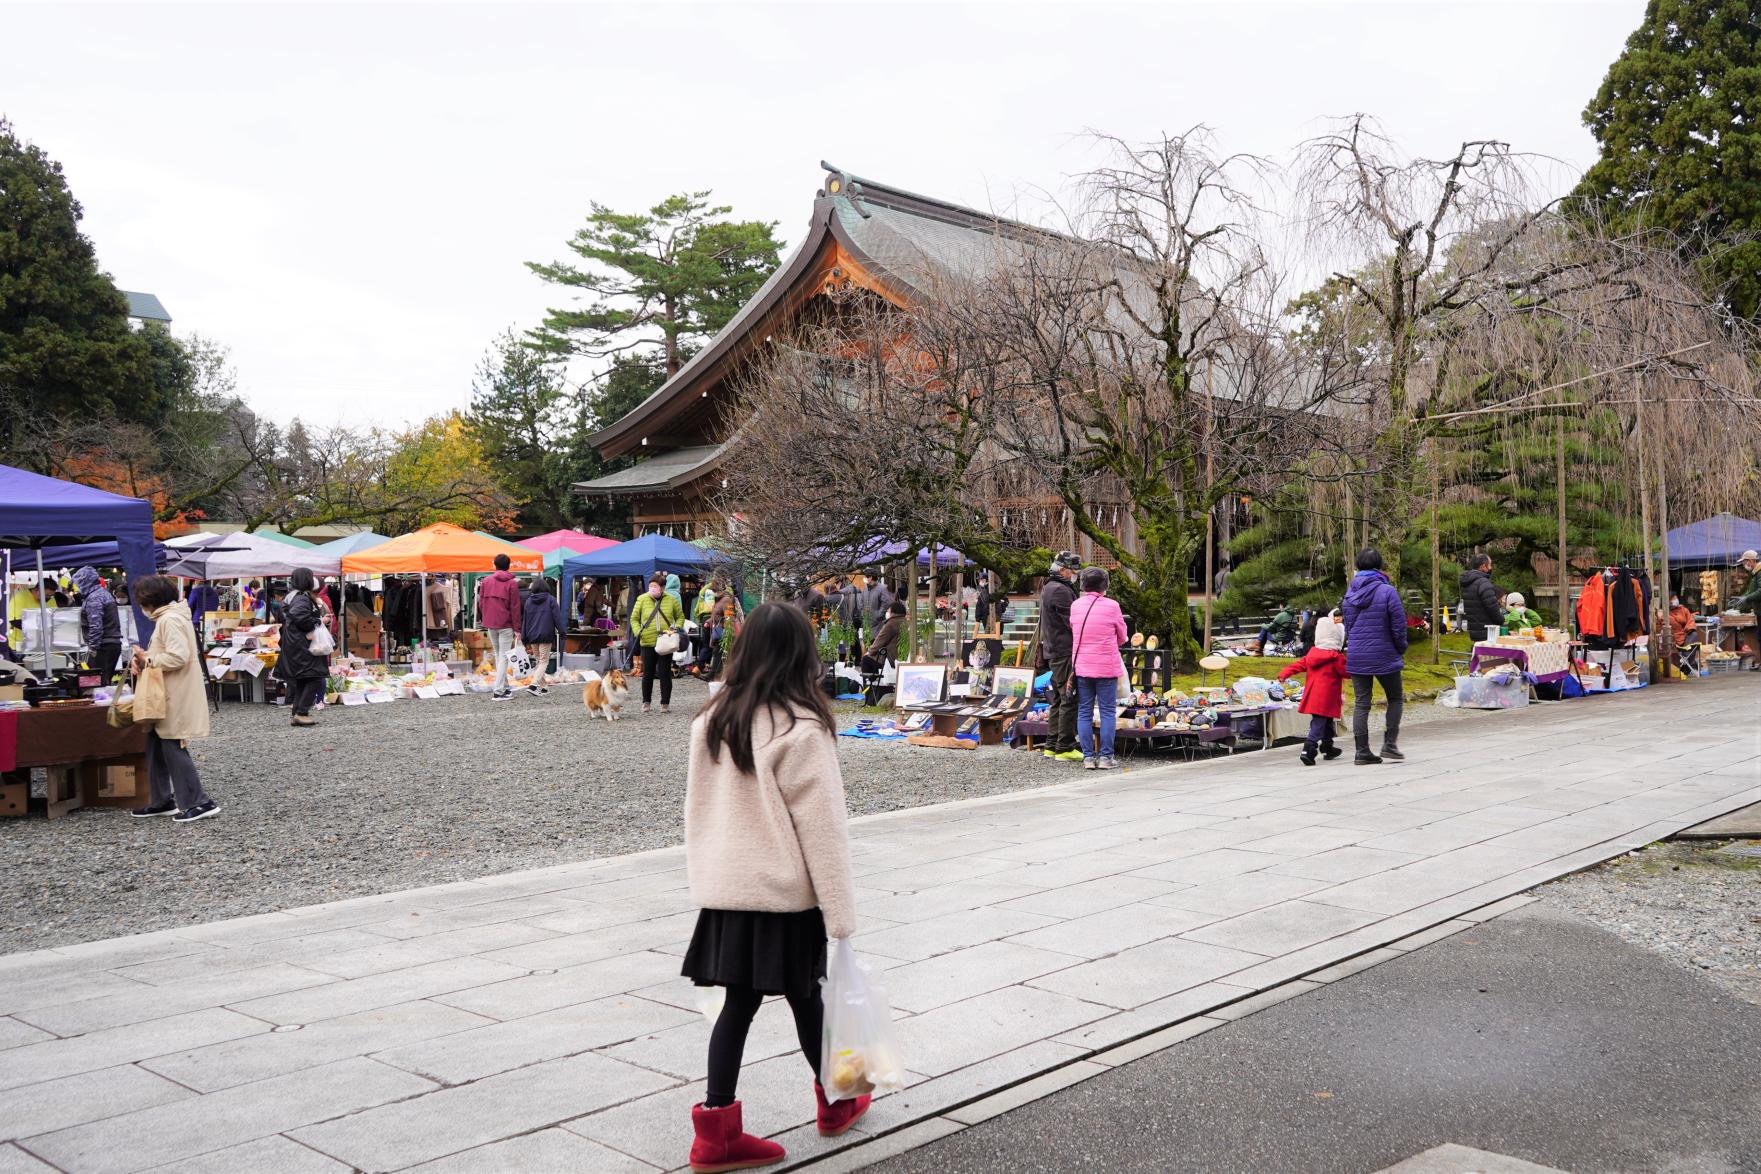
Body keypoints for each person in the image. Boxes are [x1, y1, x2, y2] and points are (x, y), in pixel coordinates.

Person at [681, 602, 864, 1169]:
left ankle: (717, 1129)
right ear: (802, 655)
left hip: (730, 887)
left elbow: (698, 810)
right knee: (807, 992)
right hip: (784, 890)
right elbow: (824, 831)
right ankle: (836, 1100)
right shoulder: (802, 729)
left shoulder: (713, 718)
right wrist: (841, 917)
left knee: (740, 1003)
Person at [127, 575, 219, 822]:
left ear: (149, 601)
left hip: (174, 693)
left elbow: (178, 656)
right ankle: (161, 800)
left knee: (172, 744)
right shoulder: (171, 617)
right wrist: (145, 658)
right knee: (157, 744)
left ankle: (198, 801)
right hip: (168, 691)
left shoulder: (170, 619)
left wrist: (148, 660)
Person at [1341, 548, 1407, 765]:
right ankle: (1389, 744)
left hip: (1358, 655)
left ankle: (1362, 751)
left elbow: (1348, 627)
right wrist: (1400, 648)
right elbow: (1398, 626)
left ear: (1358, 567)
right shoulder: (1387, 591)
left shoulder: (1349, 594)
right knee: (1395, 697)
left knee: (1362, 703)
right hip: (1385, 653)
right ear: (1380, 566)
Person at [1067, 566, 1128, 771]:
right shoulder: (1112, 606)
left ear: (1083, 585)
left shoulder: (1076, 606)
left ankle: (1087, 758)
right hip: (1106, 666)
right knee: (1107, 712)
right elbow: (1121, 636)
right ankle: (1106, 757)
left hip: (1082, 666)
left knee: (1084, 711)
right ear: (1105, 585)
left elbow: (1074, 630)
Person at [1277, 611, 1347, 766]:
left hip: (1313, 694)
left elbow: (1297, 665)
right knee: (1319, 723)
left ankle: (1328, 748)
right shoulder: (1336, 658)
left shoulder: (1312, 655)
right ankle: (1308, 749)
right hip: (1328, 696)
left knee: (1327, 721)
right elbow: (1346, 673)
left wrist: (1283, 675)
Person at [1039, 551, 1084, 763]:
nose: (1075, 575)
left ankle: (1051, 744)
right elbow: (1072, 623)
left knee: (1057, 698)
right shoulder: (1060, 590)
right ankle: (1065, 746)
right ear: (1063, 570)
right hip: (1063, 650)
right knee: (1069, 696)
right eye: (1073, 571)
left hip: (1054, 650)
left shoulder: (1049, 586)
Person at [278, 568, 331, 728]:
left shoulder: (294, 595)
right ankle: (302, 712)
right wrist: (317, 623)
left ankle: (297, 713)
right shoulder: (302, 598)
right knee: (314, 677)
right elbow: (299, 615)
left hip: (296, 644)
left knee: (304, 679)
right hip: (303, 645)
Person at [631, 572, 685, 713]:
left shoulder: (671, 599)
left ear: (662, 587)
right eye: (651, 586)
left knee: (664, 673)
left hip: (665, 642)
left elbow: (680, 616)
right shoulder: (642, 599)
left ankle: (665, 703)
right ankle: (646, 702)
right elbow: (634, 619)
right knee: (647, 674)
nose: (653, 588)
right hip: (647, 642)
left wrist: (675, 628)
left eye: (655, 586)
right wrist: (638, 632)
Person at [476, 553, 523, 702]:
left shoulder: (486, 581)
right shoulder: (512, 583)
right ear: (508, 566)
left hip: (490, 623)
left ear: (494, 565)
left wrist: (486, 617)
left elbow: (481, 603)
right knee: (503, 656)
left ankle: (505, 687)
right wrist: (517, 629)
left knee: (499, 655)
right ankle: (498, 691)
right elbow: (515, 608)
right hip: (506, 625)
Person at [73, 567, 122, 681]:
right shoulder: (104, 593)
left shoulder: (94, 598)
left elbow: (96, 625)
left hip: (103, 647)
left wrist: (93, 648)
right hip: (111, 644)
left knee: (95, 683)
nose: (78, 587)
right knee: (103, 681)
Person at [520, 577, 566, 694]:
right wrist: (562, 632)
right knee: (544, 661)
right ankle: (534, 685)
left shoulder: (529, 601)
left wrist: (524, 637)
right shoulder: (551, 600)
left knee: (539, 661)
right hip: (546, 634)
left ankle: (544, 687)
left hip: (532, 635)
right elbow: (557, 618)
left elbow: (525, 621)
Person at [1725, 549, 1761, 670]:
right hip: (1758, 611)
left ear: (1751, 561)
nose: (1744, 565)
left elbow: (1760, 591)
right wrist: (1741, 598)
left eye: (1745, 562)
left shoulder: (1760, 572)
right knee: (1759, 637)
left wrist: (1746, 598)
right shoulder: (1755, 573)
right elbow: (1752, 591)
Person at [1459, 552, 1504, 641]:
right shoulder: (1483, 583)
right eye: (1490, 565)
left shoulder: (1467, 583)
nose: (1491, 568)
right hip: (1488, 631)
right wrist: (1502, 620)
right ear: (1483, 566)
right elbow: (1492, 608)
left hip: (1474, 630)